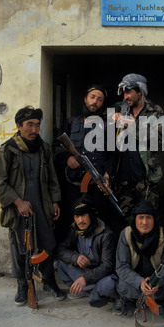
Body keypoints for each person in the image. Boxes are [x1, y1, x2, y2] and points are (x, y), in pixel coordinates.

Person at [0, 106, 65, 306]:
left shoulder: (44, 148)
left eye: (37, 125)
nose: (34, 130)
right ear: (18, 126)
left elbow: (51, 178)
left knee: (48, 243)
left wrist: (55, 201)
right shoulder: (7, 150)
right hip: (18, 209)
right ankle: (23, 285)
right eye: (30, 125)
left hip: (42, 205)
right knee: (19, 248)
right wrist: (18, 202)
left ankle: (49, 281)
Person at [53, 83, 116, 238]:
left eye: (100, 99)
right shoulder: (71, 122)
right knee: (70, 224)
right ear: (85, 99)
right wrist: (67, 158)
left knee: (100, 223)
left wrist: (108, 175)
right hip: (73, 185)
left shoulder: (108, 126)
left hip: (97, 185)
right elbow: (56, 147)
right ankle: (72, 256)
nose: (95, 101)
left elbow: (113, 154)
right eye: (92, 97)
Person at [113, 200, 164, 318]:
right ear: (135, 219)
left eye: (148, 218)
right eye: (141, 218)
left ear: (154, 220)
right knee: (123, 286)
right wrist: (139, 282)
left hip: (155, 282)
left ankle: (152, 302)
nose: (144, 222)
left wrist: (157, 282)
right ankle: (133, 301)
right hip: (135, 281)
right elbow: (121, 266)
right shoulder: (126, 234)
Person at [113, 73, 164, 217]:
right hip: (122, 178)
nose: (125, 97)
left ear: (140, 92)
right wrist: (112, 119)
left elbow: (159, 138)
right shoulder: (119, 108)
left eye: (129, 92)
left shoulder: (155, 111)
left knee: (148, 219)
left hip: (146, 177)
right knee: (124, 219)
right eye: (124, 93)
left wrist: (134, 126)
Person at [56, 198, 117, 307]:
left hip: (99, 275)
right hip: (84, 270)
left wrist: (85, 278)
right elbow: (61, 250)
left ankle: (90, 289)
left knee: (110, 283)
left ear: (91, 215)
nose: (80, 220)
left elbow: (107, 266)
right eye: (77, 217)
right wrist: (76, 257)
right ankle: (85, 290)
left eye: (83, 215)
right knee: (61, 263)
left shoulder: (106, 234)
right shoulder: (74, 228)